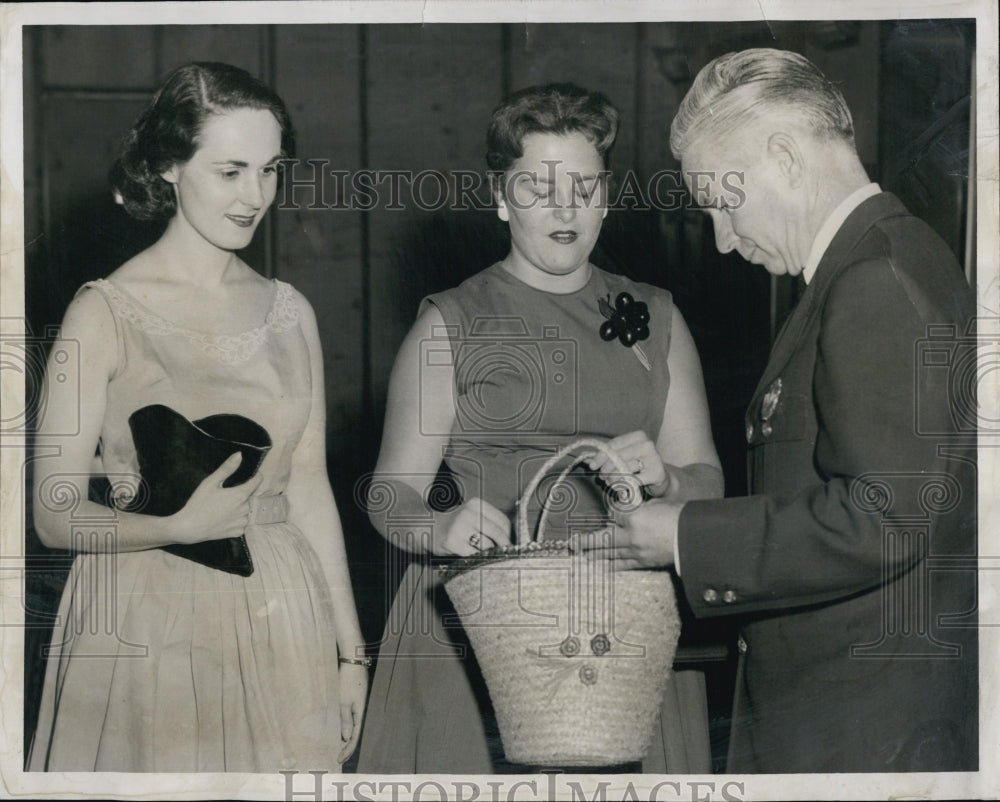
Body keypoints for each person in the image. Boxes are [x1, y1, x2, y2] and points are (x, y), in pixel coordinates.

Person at [581, 48, 978, 773]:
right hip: (862, 708)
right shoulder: (899, 253)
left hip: (859, 728)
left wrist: (686, 537)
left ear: (786, 157)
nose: (724, 240)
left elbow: (885, 515)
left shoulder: (871, 281)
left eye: (723, 204)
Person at [357, 83, 724, 774]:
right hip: (481, 623)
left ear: (607, 197)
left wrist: (669, 478)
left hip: (624, 619)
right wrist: (436, 528)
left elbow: (706, 478)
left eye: (584, 187)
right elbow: (388, 494)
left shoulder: (657, 316)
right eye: (537, 187)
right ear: (500, 199)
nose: (565, 208)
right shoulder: (449, 323)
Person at [28, 62, 367, 772]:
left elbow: (308, 488)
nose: (256, 196)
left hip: (281, 606)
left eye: (270, 170)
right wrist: (177, 527)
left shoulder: (290, 311)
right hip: (144, 607)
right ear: (170, 167)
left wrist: (349, 651)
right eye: (231, 171)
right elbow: (54, 511)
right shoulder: (102, 313)